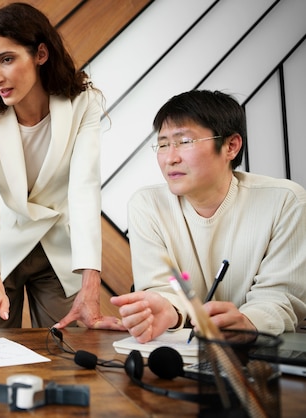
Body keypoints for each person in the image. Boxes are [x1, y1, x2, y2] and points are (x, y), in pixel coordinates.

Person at [0, 2, 125, 331]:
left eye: (7, 59)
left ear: (40, 54)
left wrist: (90, 285)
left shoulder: (83, 104)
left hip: (58, 246)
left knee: (68, 353)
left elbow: (84, 191)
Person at [111, 89, 306, 343]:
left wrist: (249, 322)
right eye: (162, 145)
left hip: (263, 354)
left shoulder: (284, 201)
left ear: (231, 146)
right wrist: (167, 311)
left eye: (184, 141)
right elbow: (161, 289)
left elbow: (281, 296)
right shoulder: (147, 205)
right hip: (182, 352)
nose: (170, 157)